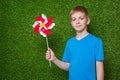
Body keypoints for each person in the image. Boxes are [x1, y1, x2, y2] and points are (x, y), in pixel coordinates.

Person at [46, 6, 104, 80]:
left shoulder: (96, 41)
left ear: (88, 20)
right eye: (74, 19)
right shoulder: (70, 43)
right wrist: (54, 59)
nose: (77, 22)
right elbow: (67, 66)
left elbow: (99, 68)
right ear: (71, 23)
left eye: (81, 18)